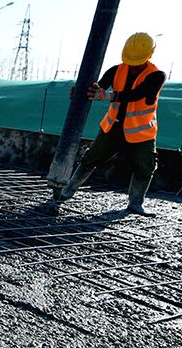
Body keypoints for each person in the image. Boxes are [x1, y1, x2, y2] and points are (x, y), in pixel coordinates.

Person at [54, 32, 165, 216]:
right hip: (112, 127)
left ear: (149, 55)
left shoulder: (157, 76)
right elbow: (99, 87)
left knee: (144, 167)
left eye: (137, 62)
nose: (133, 65)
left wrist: (108, 96)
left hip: (141, 132)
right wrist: (82, 92)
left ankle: (135, 203)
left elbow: (138, 94)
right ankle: (68, 191)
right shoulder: (116, 70)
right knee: (90, 158)